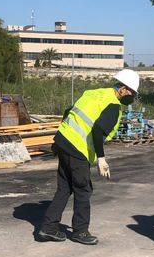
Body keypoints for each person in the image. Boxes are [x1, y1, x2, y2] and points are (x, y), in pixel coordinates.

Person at [36, 69, 140, 246]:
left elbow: (69, 111)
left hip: (64, 141)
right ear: (122, 88)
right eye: (131, 91)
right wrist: (101, 158)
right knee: (83, 189)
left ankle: (49, 227)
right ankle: (80, 232)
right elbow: (98, 131)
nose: (132, 96)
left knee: (64, 187)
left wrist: (58, 141)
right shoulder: (113, 106)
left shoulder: (94, 93)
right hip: (78, 149)